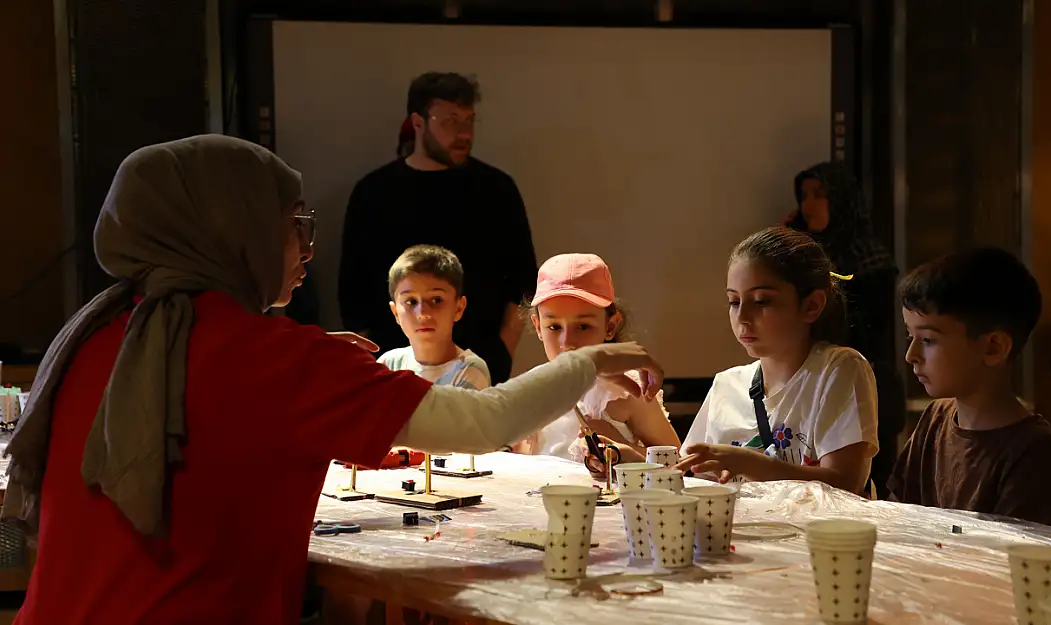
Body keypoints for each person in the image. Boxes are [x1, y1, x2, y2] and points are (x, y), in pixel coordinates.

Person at [1, 135, 663, 625]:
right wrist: (591, 360)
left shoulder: (90, 335)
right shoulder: (274, 354)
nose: (307, 249)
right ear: (237, 229)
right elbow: (483, 422)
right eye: (294, 226)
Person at [339, 72, 537, 384]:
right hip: (394, 370)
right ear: (418, 123)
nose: (464, 133)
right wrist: (371, 365)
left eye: (469, 120)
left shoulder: (496, 190)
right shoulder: (375, 192)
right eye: (450, 121)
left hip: (480, 365)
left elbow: (523, 282)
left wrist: (503, 351)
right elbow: (353, 290)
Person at [675, 227, 879, 495]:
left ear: (811, 306)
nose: (743, 317)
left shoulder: (838, 369)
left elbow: (845, 485)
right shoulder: (727, 384)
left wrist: (750, 464)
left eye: (761, 301)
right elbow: (696, 479)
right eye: (734, 302)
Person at [888, 248, 1051, 526]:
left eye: (928, 339)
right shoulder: (934, 420)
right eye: (910, 336)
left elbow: (1010, 560)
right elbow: (897, 519)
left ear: (993, 347)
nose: (911, 355)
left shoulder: (1033, 452)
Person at [785, 161, 904, 498]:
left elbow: (871, 327)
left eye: (819, 195)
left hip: (862, 379)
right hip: (811, 382)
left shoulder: (868, 257)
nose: (808, 205)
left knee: (863, 491)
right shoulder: (804, 253)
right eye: (804, 195)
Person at [514, 254, 680, 469]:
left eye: (583, 327)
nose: (567, 343)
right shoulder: (528, 388)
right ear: (538, 326)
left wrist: (624, 452)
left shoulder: (625, 393)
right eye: (554, 327)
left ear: (610, 326)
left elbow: (680, 466)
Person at [378, 245, 490, 390]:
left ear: (459, 308)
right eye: (411, 302)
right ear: (395, 313)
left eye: (437, 300)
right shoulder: (388, 364)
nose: (423, 314)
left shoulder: (469, 370)